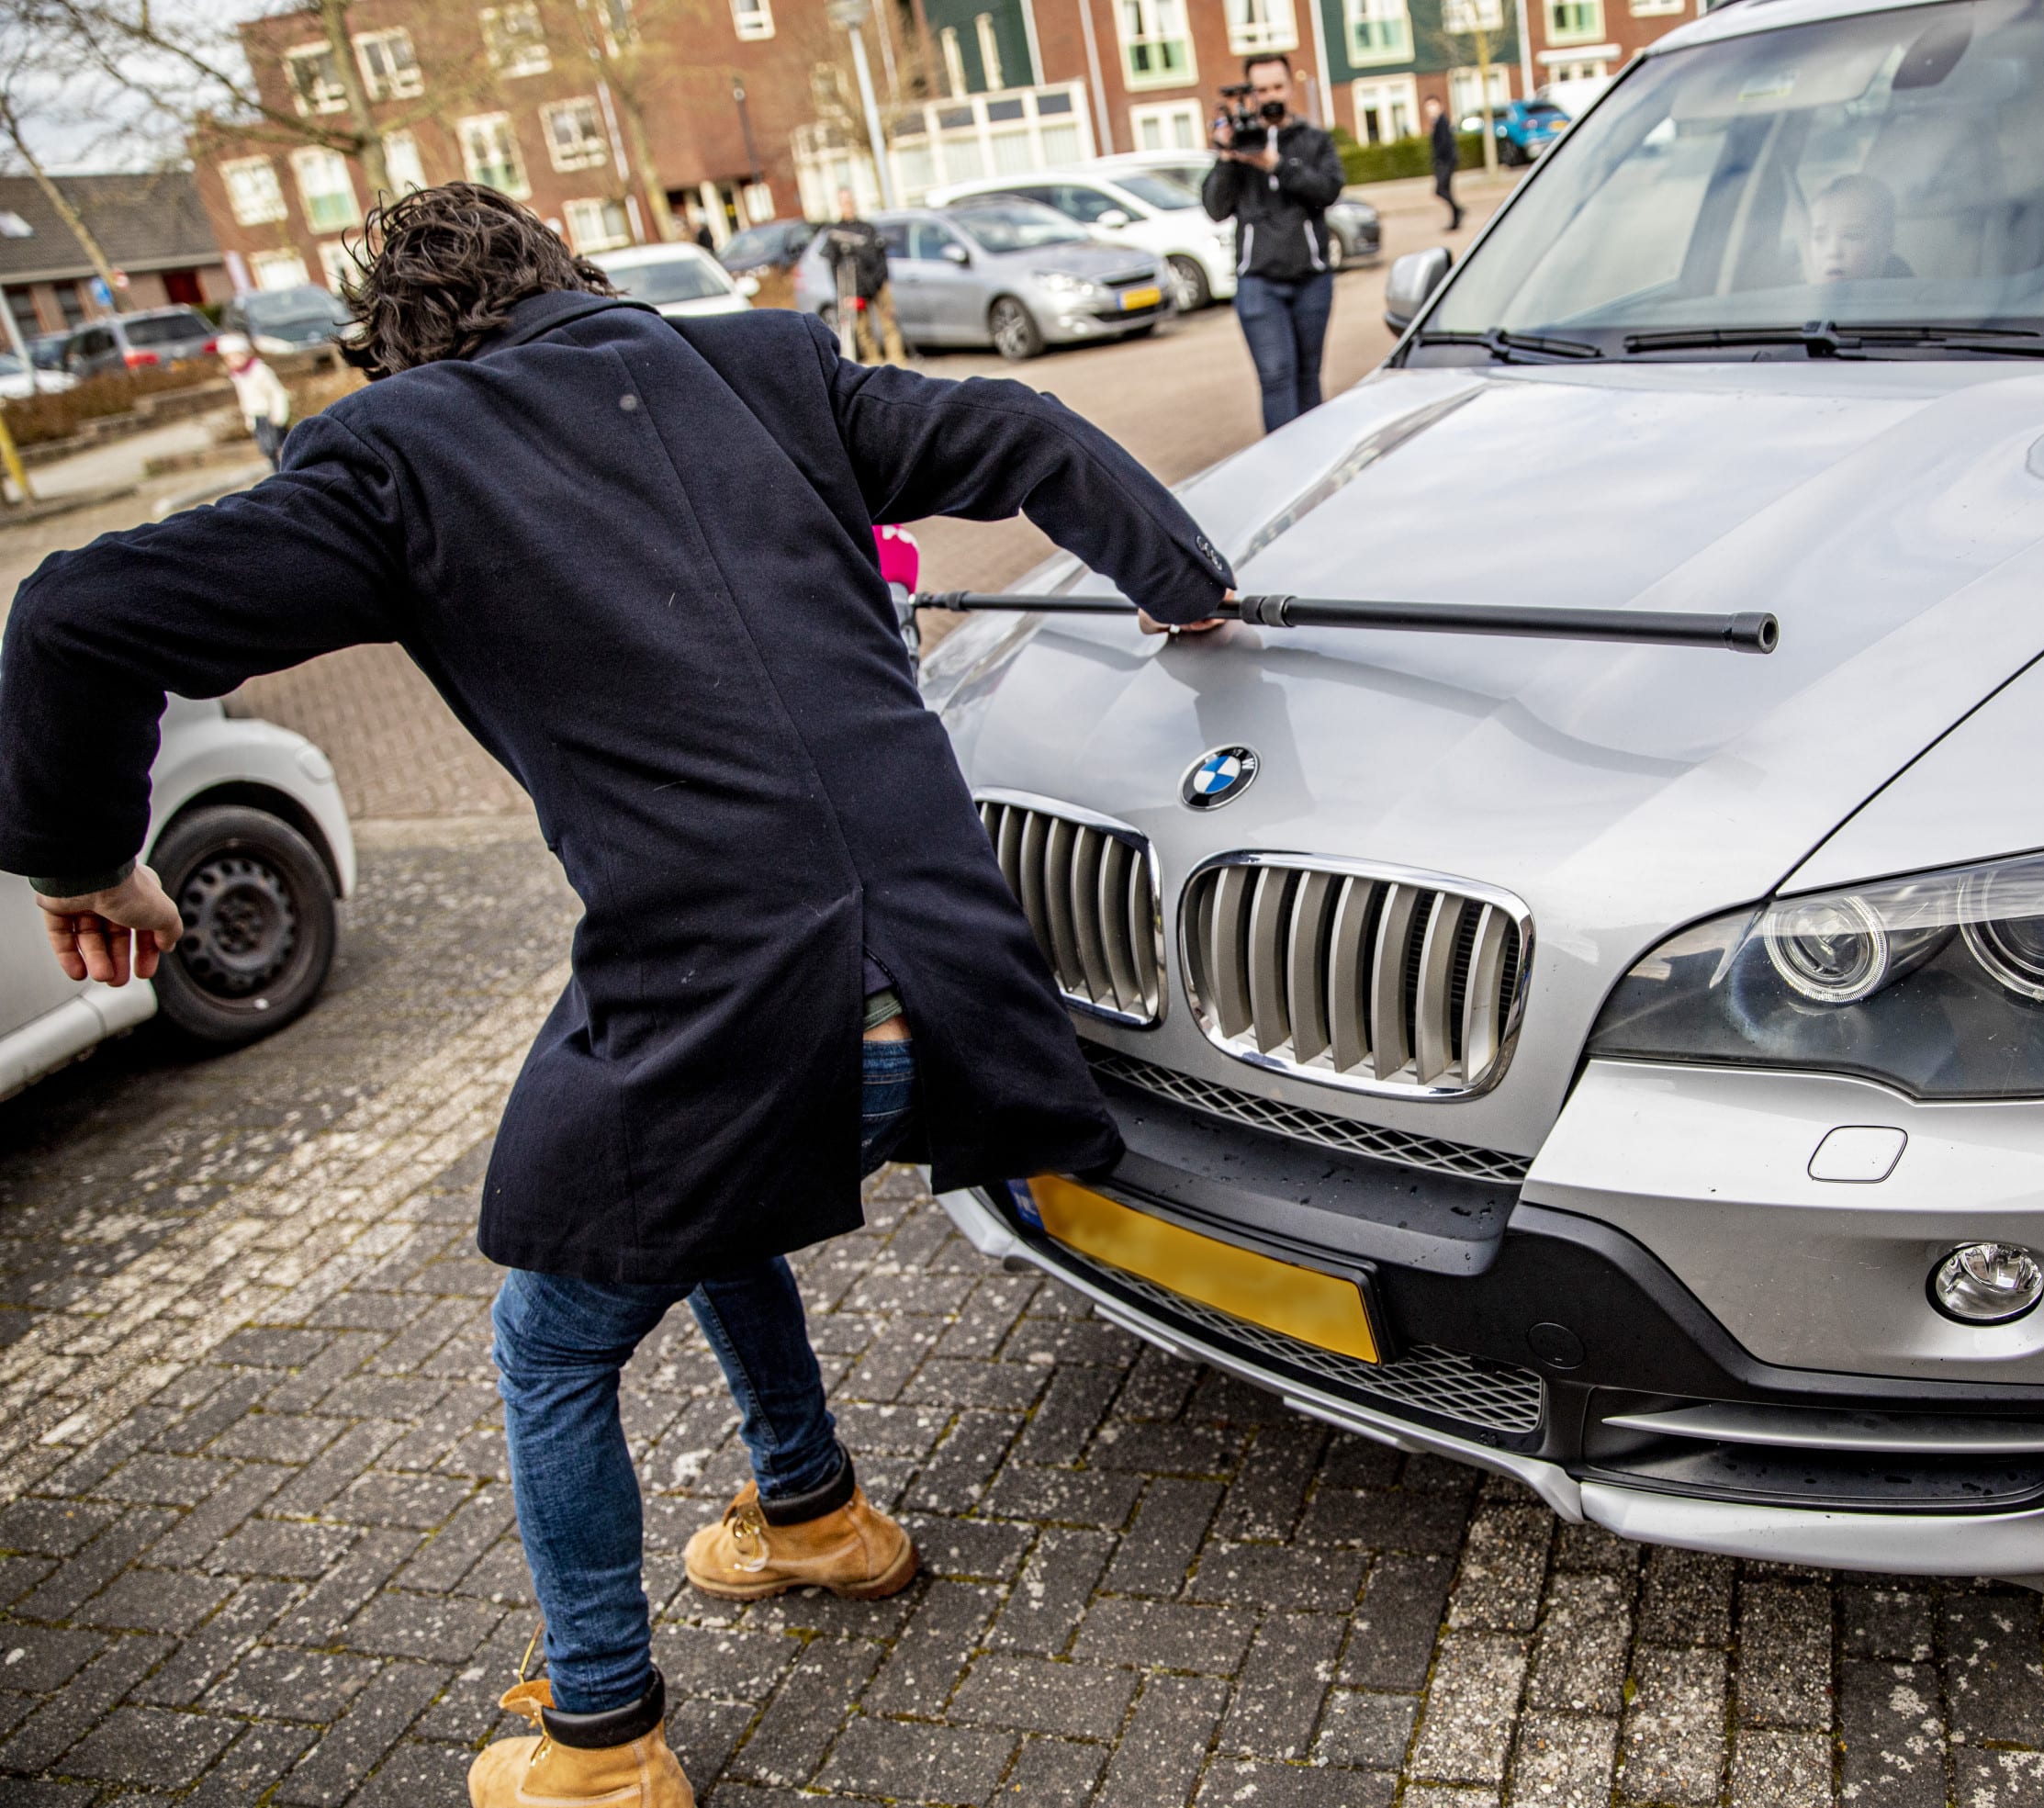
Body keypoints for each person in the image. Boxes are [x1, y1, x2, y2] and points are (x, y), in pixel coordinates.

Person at [0, 182, 1234, 1806]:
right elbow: (1016, 423)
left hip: (742, 998)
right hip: (946, 971)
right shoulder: (761, 369)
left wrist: (87, 857)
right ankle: (814, 1515)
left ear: (394, 339)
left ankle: (600, 1735)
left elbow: (76, 610)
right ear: (568, 276)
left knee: (549, 1337)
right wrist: (1181, 578)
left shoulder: (396, 457)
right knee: (693, 1200)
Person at [1203, 53, 1345, 432]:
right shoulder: (1238, 146)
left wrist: (1277, 164)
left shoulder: (1314, 140)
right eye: (1261, 89)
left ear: (1290, 87)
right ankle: (1285, 465)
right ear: (1249, 93)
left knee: (1308, 375)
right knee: (1276, 376)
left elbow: (1328, 190)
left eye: (1277, 86)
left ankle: (1317, 456)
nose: (1270, 96)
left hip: (1311, 279)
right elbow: (1215, 208)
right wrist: (1226, 157)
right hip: (1259, 284)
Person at [818, 190, 905, 365]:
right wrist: (843, 295)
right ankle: (874, 364)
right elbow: (833, 265)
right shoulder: (835, 232)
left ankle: (897, 363)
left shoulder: (867, 228)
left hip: (877, 283)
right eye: (844, 202)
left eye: (850, 201)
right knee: (863, 330)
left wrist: (880, 279)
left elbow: (881, 256)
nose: (848, 205)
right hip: (854, 288)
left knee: (889, 324)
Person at [1807, 173, 1912, 285]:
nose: (1833, 251)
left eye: (1852, 236)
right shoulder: (1796, 294)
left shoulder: (1904, 295)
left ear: (1885, 244)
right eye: (1819, 237)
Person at [217, 331, 292, 468]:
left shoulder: (259, 371)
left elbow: (276, 392)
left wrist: (279, 415)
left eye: (237, 356)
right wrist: (249, 420)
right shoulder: (237, 376)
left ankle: (288, 471)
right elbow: (245, 400)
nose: (234, 361)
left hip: (270, 415)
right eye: (229, 359)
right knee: (268, 450)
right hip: (256, 417)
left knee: (281, 447)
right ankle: (277, 473)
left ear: (246, 353)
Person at [1426, 95, 1462, 232]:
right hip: (1445, 161)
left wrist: (1439, 160)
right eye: (1428, 107)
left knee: (1440, 190)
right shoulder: (1437, 121)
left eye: (1432, 106)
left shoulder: (1442, 121)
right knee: (1447, 191)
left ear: (1440, 106)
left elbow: (1445, 143)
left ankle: (1458, 210)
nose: (1430, 109)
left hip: (1445, 162)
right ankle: (1455, 219)